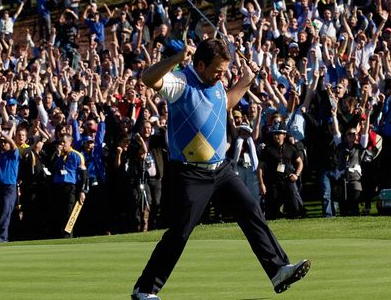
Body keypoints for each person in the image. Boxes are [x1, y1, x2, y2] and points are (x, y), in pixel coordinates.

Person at [131, 39, 310, 300]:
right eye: (217, 70)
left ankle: (278, 269)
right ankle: (144, 289)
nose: (221, 75)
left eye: (224, 71)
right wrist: (176, 58)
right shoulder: (180, 82)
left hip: (221, 170)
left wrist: (246, 79)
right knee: (179, 233)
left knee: (251, 210)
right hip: (190, 173)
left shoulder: (216, 84)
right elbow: (148, 79)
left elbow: (224, 103)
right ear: (200, 64)